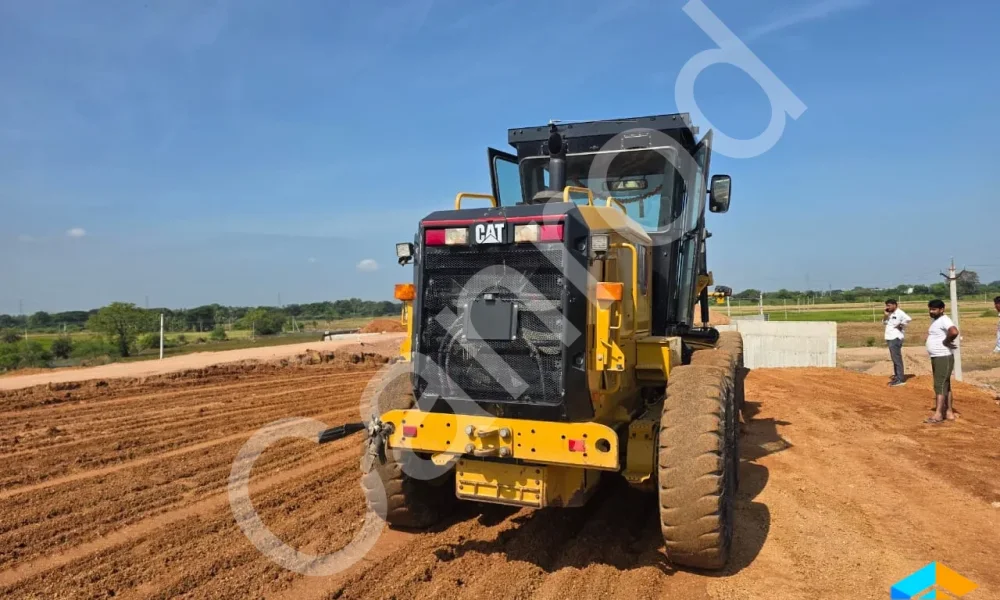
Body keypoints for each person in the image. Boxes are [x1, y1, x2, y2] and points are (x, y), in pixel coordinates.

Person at [925, 299, 960, 424]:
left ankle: (938, 414)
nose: (931, 311)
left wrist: (946, 341)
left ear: (942, 309)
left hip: (943, 356)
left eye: (934, 309)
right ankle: (949, 412)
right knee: (945, 385)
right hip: (937, 356)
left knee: (939, 385)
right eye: (930, 309)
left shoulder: (944, 320)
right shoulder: (937, 320)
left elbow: (954, 331)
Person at [882, 299, 912, 386]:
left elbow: (909, 319)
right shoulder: (889, 314)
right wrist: (885, 315)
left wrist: (901, 325)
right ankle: (897, 376)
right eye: (887, 305)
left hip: (896, 337)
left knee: (896, 358)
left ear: (895, 305)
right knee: (894, 358)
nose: (887, 307)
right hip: (889, 337)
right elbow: (884, 323)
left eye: (889, 305)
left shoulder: (900, 313)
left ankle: (900, 379)